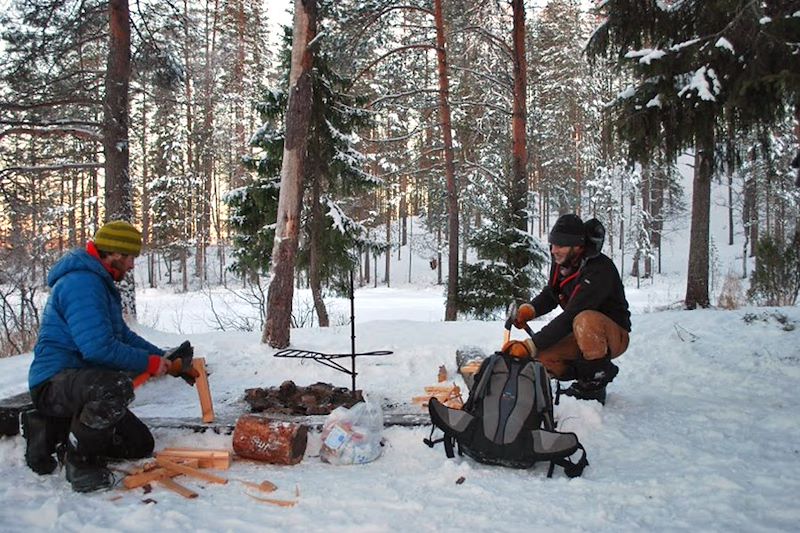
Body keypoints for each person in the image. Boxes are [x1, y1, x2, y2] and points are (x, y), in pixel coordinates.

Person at [26, 221, 176, 492]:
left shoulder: (98, 282)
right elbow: (98, 348)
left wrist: (162, 356)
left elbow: (122, 337)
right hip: (53, 382)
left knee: (139, 445)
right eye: (130, 257)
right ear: (113, 254)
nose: (131, 265)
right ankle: (81, 463)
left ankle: (60, 430)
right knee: (115, 386)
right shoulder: (81, 284)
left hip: (81, 383)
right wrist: (149, 363)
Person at [515, 214, 631, 404]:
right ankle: (581, 375)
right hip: (580, 331)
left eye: (560, 245)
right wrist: (530, 310)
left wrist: (530, 344)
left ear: (577, 246)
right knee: (541, 359)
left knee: (585, 319)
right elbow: (552, 294)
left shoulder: (599, 269)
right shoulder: (562, 262)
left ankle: (594, 383)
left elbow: (572, 316)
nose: (554, 250)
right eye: (552, 245)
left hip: (613, 335)